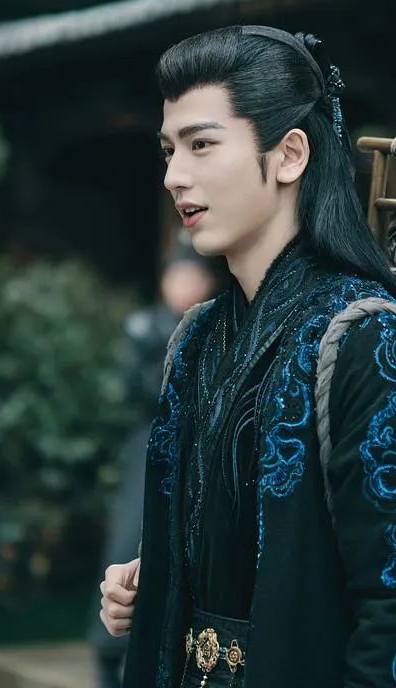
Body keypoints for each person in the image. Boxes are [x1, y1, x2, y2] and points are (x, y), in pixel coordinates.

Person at [99, 25, 396, 688]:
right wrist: (156, 578)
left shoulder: (373, 345)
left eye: (202, 144)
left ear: (289, 155)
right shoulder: (197, 339)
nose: (175, 176)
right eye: (169, 150)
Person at [91, 234, 223, 688]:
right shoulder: (145, 327)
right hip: (147, 441)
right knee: (128, 541)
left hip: (191, 443)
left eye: (193, 276)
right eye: (178, 275)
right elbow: (136, 387)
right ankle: (108, 650)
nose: (184, 285)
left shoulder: (212, 329)